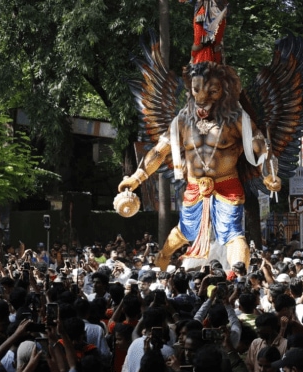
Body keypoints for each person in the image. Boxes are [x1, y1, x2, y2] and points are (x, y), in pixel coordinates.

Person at [117, 61, 280, 270]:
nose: (202, 98)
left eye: (212, 91)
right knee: (182, 233)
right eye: (196, 90)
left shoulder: (237, 119)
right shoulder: (182, 120)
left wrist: (268, 174)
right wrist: (137, 177)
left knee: (233, 235)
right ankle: (161, 266)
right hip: (195, 188)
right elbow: (159, 151)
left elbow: (261, 146)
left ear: (224, 90)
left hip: (227, 186)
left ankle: (238, 278)